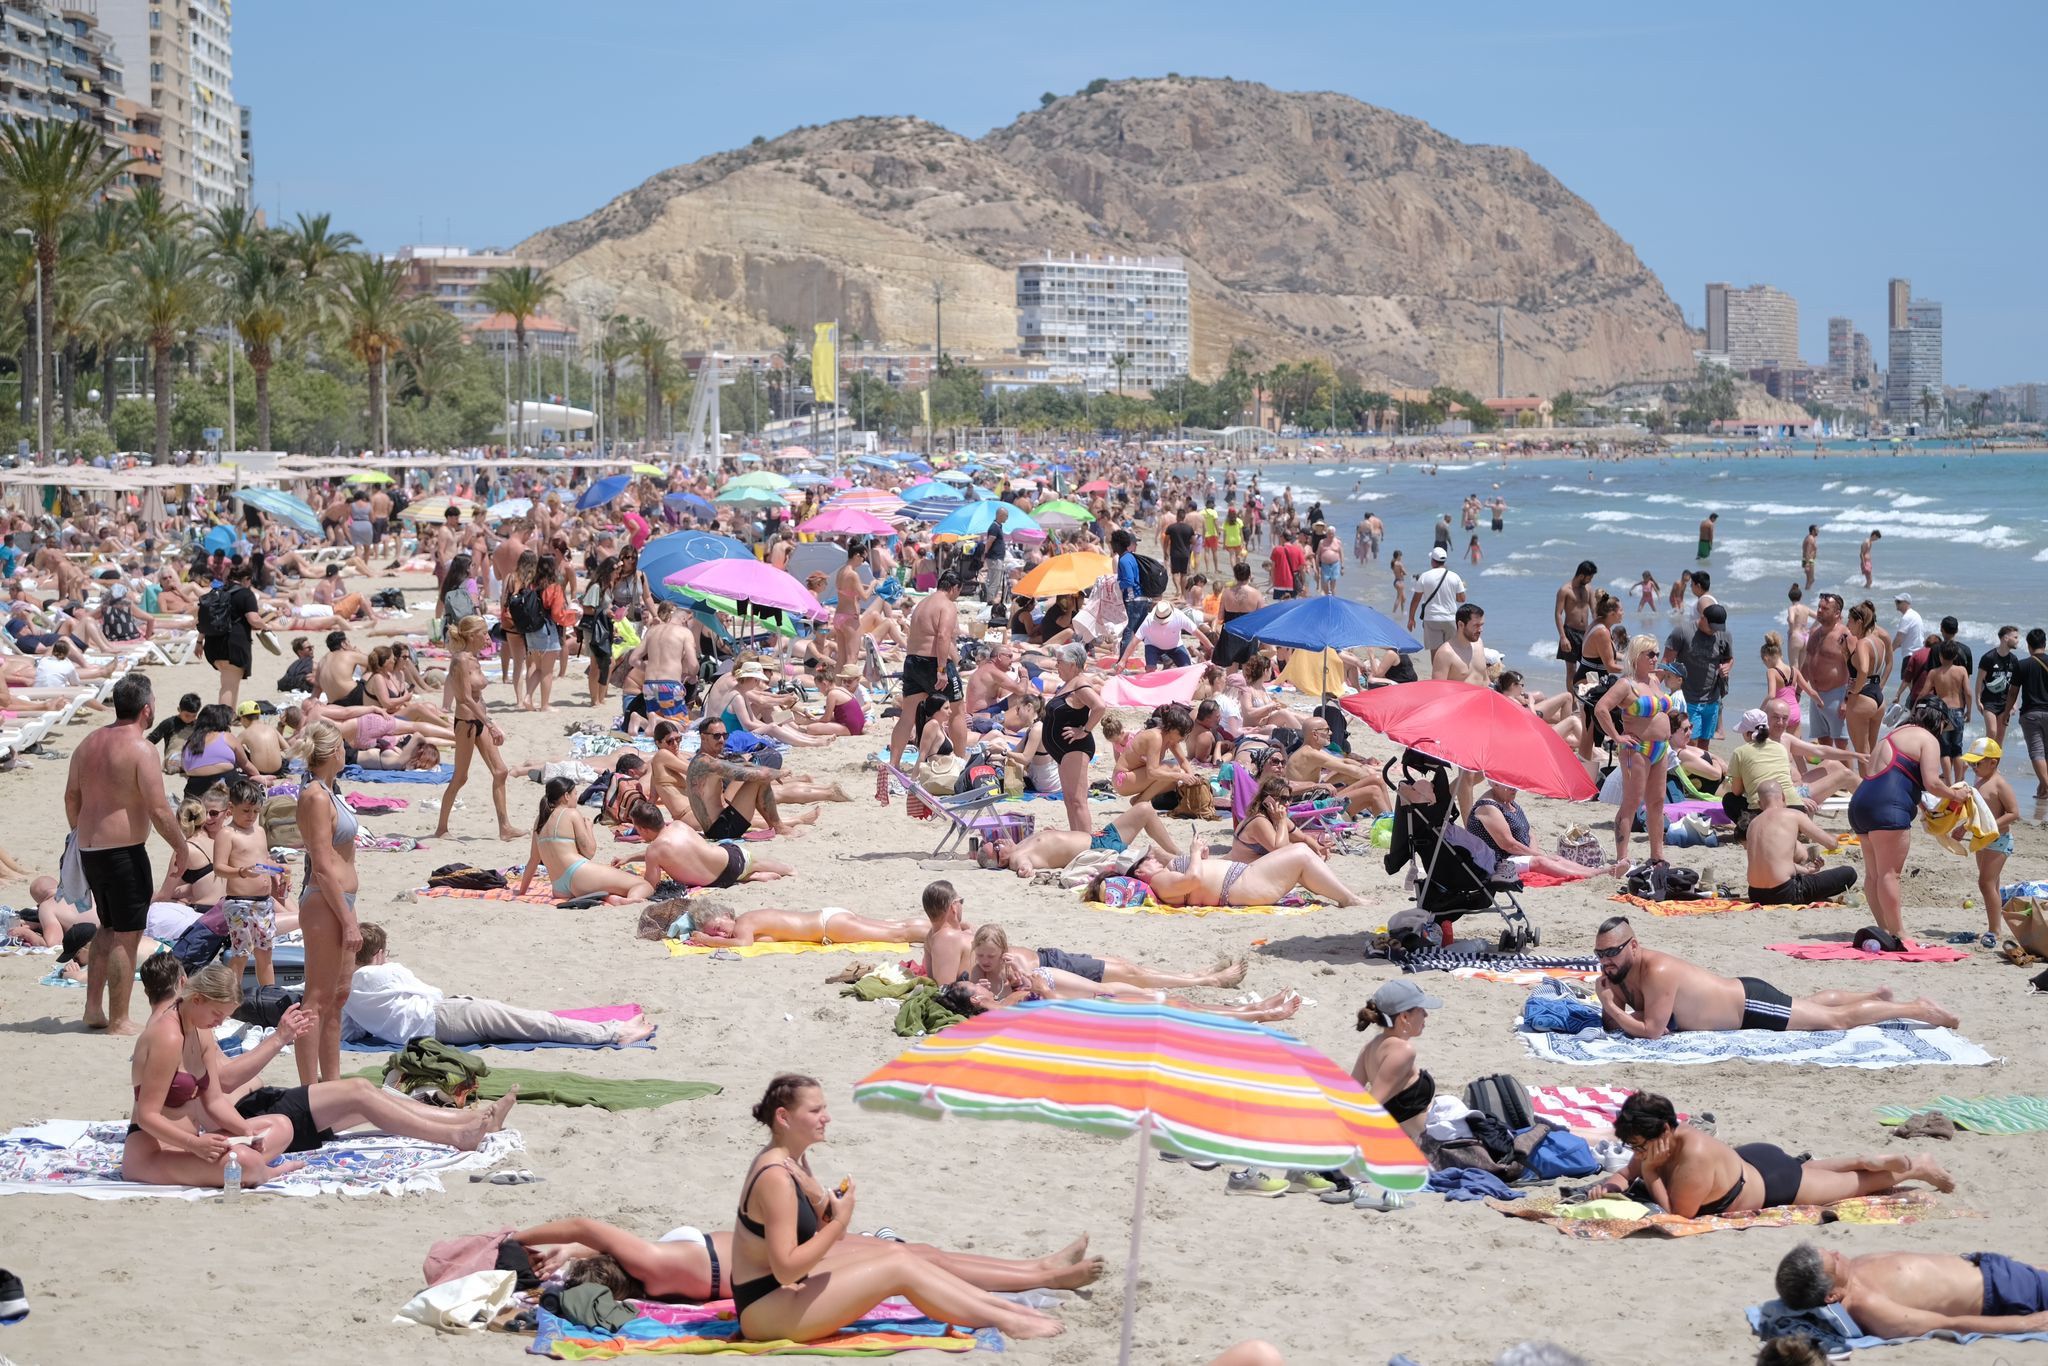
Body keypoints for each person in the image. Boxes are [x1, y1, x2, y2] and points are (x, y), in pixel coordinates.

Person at [724, 1075, 1064, 1343]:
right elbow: (786, 1269)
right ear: (783, 1117)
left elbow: (835, 1235)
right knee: (897, 1269)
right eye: (815, 1111)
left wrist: (824, 1203)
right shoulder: (776, 1178)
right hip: (765, 1311)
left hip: (784, 1292)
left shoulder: (796, 1161)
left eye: (824, 1108)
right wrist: (838, 1219)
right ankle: (1007, 1320)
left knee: (899, 1255)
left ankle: (1002, 1308)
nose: (826, 1117)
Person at [518, 1216, 1101, 1306]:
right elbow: (584, 1224)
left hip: (779, 1267)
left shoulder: (651, 1274)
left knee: (916, 1255)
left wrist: (569, 1255)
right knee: (916, 1256)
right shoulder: (649, 1258)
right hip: (787, 1264)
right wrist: (519, 1233)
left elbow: (587, 1243)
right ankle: (1044, 1273)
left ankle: (1042, 1267)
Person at [1585, 1092, 1952, 1218]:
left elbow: (1681, 1214)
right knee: (1813, 1172)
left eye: (1640, 1145)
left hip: (1773, 1183)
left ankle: (1915, 1168)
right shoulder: (1657, 1141)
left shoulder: (1690, 1153)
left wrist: (1649, 1173)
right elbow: (1627, 1172)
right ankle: (1861, 1157)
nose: (1637, 1152)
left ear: (1663, 1130)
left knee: (1854, 1187)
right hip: (1751, 1163)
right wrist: (1611, 1184)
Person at [65, 673, 190, 1036]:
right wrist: (181, 846)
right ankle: (118, 1018)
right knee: (128, 935)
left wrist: (82, 833)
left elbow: (72, 797)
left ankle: (93, 1008)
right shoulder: (140, 748)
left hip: (90, 849)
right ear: (147, 709)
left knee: (107, 926)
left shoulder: (88, 742)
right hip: (123, 852)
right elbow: (159, 809)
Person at [1591, 915, 1957, 1037]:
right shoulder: (1620, 973)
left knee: (1835, 1022)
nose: (1606, 960)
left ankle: (1918, 1008)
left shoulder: (1657, 970)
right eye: (1600, 954)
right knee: (1809, 1006)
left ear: (1634, 946)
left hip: (1749, 1005)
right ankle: (1873, 1000)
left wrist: (1608, 1002)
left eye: (1612, 952)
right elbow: (1615, 1025)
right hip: (1742, 997)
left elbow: (1652, 1031)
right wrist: (1610, 1001)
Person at [120, 964, 308, 1187]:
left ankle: (247, 1166)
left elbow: (215, 1101)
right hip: (154, 1153)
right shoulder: (167, 1037)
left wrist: (246, 1132)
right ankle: (260, 1171)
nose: (219, 1023)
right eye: (217, 1014)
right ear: (197, 999)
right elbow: (147, 1116)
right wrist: (193, 1144)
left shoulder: (201, 1031)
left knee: (282, 1126)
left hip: (193, 1146)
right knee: (245, 1161)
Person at [346, 922, 653, 1046]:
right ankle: (613, 1032)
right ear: (379, 953)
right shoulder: (385, 972)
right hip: (442, 1017)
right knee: (533, 1022)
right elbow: (432, 993)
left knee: (528, 1021)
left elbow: (351, 1031)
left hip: (437, 1023)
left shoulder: (347, 991)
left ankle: (611, 1030)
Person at [1848, 697, 1961, 941]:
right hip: (1888, 808)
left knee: (1874, 874)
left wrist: (1918, 802)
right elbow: (1932, 782)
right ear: (1938, 721)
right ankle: (1899, 933)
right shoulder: (1928, 739)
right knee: (1890, 874)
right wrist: (1955, 794)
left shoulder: (1892, 734)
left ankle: (1884, 930)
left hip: (1861, 803)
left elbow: (1894, 774)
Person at [1773, 1244, 2048, 1336]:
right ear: (1831, 1295)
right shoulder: (1866, 1303)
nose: (1837, 1252)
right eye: (1832, 1260)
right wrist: (2027, 1324)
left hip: (1997, 1268)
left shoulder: (1855, 1269)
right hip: (2007, 1292)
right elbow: (1948, 1324)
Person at [293, 720, 362, 1085]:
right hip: (326, 901)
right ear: (333, 751)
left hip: (339, 899)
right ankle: (308, 1090)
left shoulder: (328, 791)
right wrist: (348, 920)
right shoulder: (316, 796)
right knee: (316, 999)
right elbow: (320, 864)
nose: (346, 751)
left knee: (337, 996)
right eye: (343, 747)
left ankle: (331, 1085)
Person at [434, 616, 520, 842]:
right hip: (466, 724)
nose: (487, 637)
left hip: (480, 721)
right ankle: (442, 828)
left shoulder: (474, 659)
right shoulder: (460, 660)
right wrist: (491, 725)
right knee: (460, 777)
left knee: (500, 771)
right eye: (483, 633)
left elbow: (476, 697)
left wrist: (488, 721)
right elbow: (463, 699)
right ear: (471, 635)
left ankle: (505, 828)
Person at [1597, 636, 1675, 868]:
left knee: (1657, 801)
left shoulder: (1654, 681)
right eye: (1649, 654)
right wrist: (1617, 736)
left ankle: (1657, 855)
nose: (1655, 658)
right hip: (1637, 749)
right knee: (1632, 801)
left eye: (1656, 653)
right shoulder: (1626, 684)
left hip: (1660, 748)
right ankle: (1622, 857)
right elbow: (1601, 708)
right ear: (1636, 656)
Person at [516, 777, 657, 903]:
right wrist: (589, 827)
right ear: (566, 796)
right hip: (578, 874)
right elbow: (589, 852)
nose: (576, 798)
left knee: (606, 888)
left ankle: (614, 899)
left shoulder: (539, 819)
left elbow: (533, 860)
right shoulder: (571, 813)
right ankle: (631, 900)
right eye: (575, 794)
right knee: (643, 885)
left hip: (558, 887)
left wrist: (521, 892)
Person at [1112, 841, 1365, 908]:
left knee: (1297, 853)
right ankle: (1347, 898)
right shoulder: (1158, 881)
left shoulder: (1162, 877)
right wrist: (1194, 852)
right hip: (1240, 885)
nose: (1154, 858)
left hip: (1242, 879)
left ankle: (1345, 896)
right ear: (1140, 870)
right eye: (1148, 858)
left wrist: (1200, 857)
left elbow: (1195, 878)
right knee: (1299, 853)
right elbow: (1193, 880)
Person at [885, 571, 963, 777]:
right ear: (954, 588)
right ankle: (962, 761)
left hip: (912, 661)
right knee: (957, 711)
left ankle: (894, 763)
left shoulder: (922, 604)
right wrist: (941, 670)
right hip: (932, 663)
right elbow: (943, 636)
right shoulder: (947, 605)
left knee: (908, 715)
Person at [1467, 781, 1625, 881]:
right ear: (1494, 784)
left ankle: (1596, 871)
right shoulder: (1488, 807)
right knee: (1541, 861)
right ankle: (1594, 875)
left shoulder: (1509, 802)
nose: (1514, 788)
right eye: (1509, 785)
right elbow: (1508, 845)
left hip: (1515, 856)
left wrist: (1534, 852)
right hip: (1495, 862)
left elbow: (1528, 832)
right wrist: (1537, 856)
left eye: (1515, 783)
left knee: (1553, 858)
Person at [976, 803, 1183, 874]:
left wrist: (1051, 833)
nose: (998, 841)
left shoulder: (1021, 845)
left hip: (1100, 837)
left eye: (994, 841)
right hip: (1099, 849)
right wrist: (1025, 869)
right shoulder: (1016, 858)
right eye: (995, 847)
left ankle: (1180, 854)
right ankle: (1184, 861)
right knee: (1154, 854)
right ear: (1000, 860)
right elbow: (1024, 867)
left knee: (1145, 809)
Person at [627, 802, 794, 889]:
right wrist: (628, 857)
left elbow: (651, 884)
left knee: (740, 870)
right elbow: (678, 851)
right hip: (732, 858)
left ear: (643, 829)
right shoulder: (679, 825)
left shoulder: (653, 851)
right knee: (754, 863)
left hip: (718, 881)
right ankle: (787, 870)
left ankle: (753, 876)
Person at [1744, 781, 1858, 905]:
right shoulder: (1793, 815)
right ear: (1783, 797)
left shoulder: (1753, 824)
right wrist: (1835, 838)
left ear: (1760, 804)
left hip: (1755, 894)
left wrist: (1805, 870)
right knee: (1849, 873)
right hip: (1785, 893)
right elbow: (1831, 844)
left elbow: (1771, 863)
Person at [1353, 979, 1438, 1140]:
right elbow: (1372, 1105)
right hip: (1418, 1149)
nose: (1426, 1014)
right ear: (1405, 1017)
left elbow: (1349, 1096)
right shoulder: (1403, 1051)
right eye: (1421, 1010)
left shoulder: (1371, 1046)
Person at [1962, 738, 2018, 948]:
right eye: (1971, 764)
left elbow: (2014, 813)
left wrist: (1991, 825)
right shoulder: (1979, 783)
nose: (1973, 768)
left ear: (1993, 762)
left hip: (1999, 840)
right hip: (1982, 840)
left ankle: (1995, 929)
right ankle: (1993, 925)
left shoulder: (1999, 784)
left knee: (1985, 883)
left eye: (1978, 763)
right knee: (1991, 884)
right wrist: (1963, 827)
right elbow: (1976, 813)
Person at [676, 903, 929, 948]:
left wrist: (707, 940)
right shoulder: (752, 921)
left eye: (719, 927)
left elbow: (742, 944)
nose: (722, 933)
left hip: (830, 926)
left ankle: (943, 930)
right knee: (895, 925)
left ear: (727, 915)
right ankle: (944, 924)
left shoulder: (745, 923)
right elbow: (769, 940)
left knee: (898, 935)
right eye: (715, 932)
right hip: (830, 917)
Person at [199, 560, 272, 708]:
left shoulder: (217, 592)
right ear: (246, 579)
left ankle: (229, 715)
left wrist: (199, 642)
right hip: (233, 647)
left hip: (212, 645)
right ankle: (223, 722)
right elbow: (253, 619)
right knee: (228, 687)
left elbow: (204, 618)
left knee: (230, 684)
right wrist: (266, 626)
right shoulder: (246, 594)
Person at [1666, 603, 1733, 750]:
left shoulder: (1725, 635)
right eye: (1712, 627)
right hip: (1688, 699)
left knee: (1705, 742)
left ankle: (1700, 772)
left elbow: (1728, 658)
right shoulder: (1682, 632)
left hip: (1712, 699)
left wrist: (1727, 666)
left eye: (1718, 628)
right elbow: (1666, 661)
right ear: (1702, 617)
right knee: (1690, 742)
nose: (1714, 631)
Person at [1113, 703, 1196, 807]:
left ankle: (1138, 799)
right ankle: (1140, 803)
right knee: (1173, 770)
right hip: (1122, 779)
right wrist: (1181, 776)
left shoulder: (1170, 738)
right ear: (1172, 728)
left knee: (1174, 780)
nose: (1183, 737)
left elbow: (1183, 761)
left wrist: (1192, 777)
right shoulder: (1155, 737)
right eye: (1182, 733)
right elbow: (1152, 772)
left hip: (1133, 777)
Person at [1406, 546, 1465, 655]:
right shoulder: (1455, 576)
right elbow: (1462, 599)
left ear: (1433, 561)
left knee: (1436, 654)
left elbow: (1416, 600)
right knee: (1452, 652)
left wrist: (1411, 618)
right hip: (1450, 618)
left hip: (1432, 619)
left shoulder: (1424, 577)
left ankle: (1437, 672)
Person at [2011, 627, 2048, 798]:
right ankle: (2044, 788)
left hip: (2030, 714)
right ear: (2045, 644)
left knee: (2036, 751)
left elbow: (2013, 692)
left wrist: (2006, 712)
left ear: (2029, 645)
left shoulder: (2023, 664)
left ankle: (2046, 785)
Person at [1976, 624, 2021, 750]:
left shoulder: (2014, 660)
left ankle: (1994, 767)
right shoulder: (1988, 658)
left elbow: (2015, 685)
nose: (2018, 640)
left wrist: (2014, 703)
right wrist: (1978, 700)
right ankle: (1982, 762)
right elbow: (1979, 680)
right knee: (1992, 732)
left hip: (2005, 703)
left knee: (2000, 738)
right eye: (2015, 637)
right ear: (2006, 638)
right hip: (1988, 701)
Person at [1554, 560, 1597, 691]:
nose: (1590, 580)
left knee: (1589, 668)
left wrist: (1599, 630)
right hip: (1570, 633)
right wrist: (1563, 637)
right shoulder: (1565, 590)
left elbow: (1594, 610)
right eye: (1590, 577)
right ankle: (1571, 701)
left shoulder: (1588, 589)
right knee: (1571, 669)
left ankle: (1584, 698)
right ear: (1582, 575)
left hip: (1586, 633)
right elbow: (1558, 614)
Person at [1135, 599, 1209, 671]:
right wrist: (1123, 661)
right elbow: (1135, 640)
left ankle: (1168, 661)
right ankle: (1166, 661)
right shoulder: (1149, 619)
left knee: (1186, 669)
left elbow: (1196, 632)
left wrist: (1211, 648)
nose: (1162, 622)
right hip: (1153, 645)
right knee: (1150, 669)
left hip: (1175, 646)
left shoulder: (1179, 616)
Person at [1800, 524, 1819, 590]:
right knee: (1811, 580)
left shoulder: (1810, 538)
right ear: (1813, 531)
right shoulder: (1810, 539)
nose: (1818, 531)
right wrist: (1807, 564)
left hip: (1808, 560)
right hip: (1809, 561)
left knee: (1810, 580)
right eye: (1817, 530)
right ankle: (1807, 593)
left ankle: (1807, 593)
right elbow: (1807, 552)